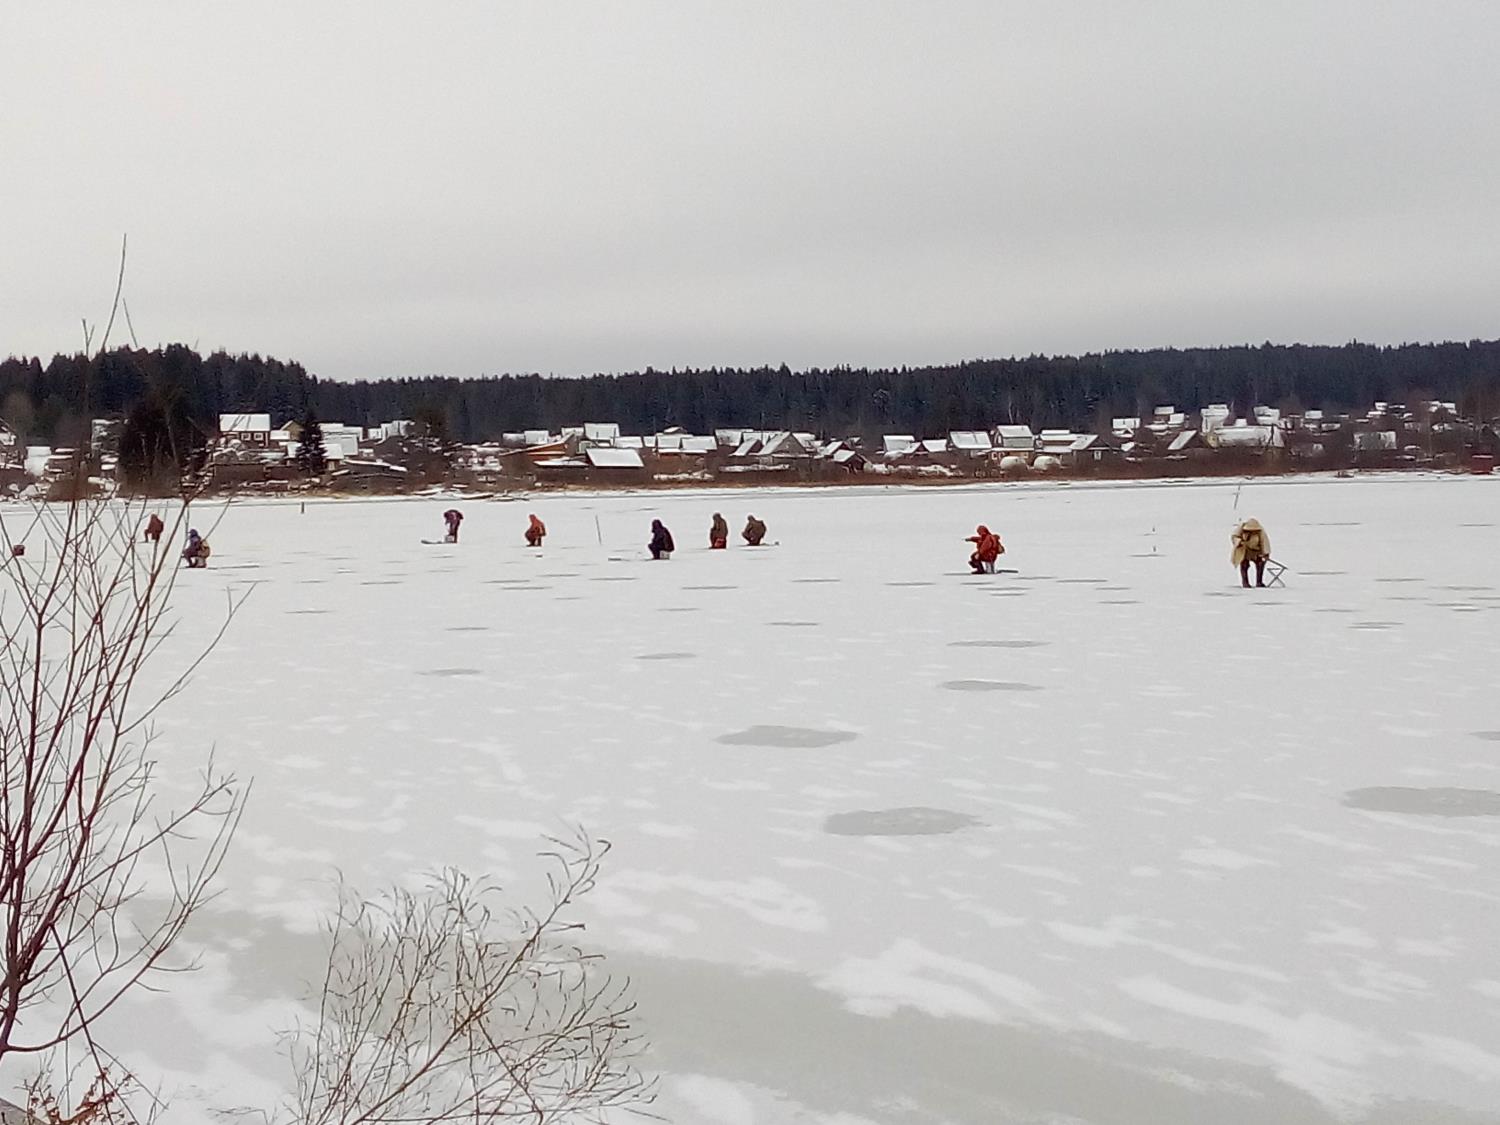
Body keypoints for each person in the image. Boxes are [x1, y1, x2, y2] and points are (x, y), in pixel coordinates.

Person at [1231, 518, 1271, 588]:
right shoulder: (1241, 528)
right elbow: (1234, 537)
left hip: (1256, 551)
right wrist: (1239, 542)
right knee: (1244, 565)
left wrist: (1265, 553)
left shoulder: (1261, 532)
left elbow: (1264, 542)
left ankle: (1259, 582)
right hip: (1244, 550)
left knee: (1260, 564)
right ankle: (1245, 582)